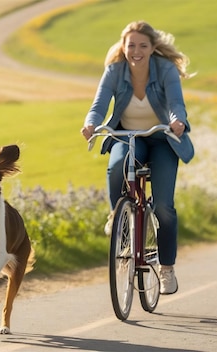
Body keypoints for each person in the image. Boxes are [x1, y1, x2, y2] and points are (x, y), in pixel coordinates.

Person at [80, 20, 194, 295]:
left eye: (143, 45)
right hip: (128, 135)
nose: (136, 51)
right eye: (131, 45)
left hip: (162, 138)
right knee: (117, 165)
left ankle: (166, 269)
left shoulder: (165, 69)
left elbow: (176, 103)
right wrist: (91, 124)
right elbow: (98, 105)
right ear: (123, 47)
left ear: (153, 48)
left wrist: (178, 120)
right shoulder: (114, 71)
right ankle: (117, 214)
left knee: (164, 207)